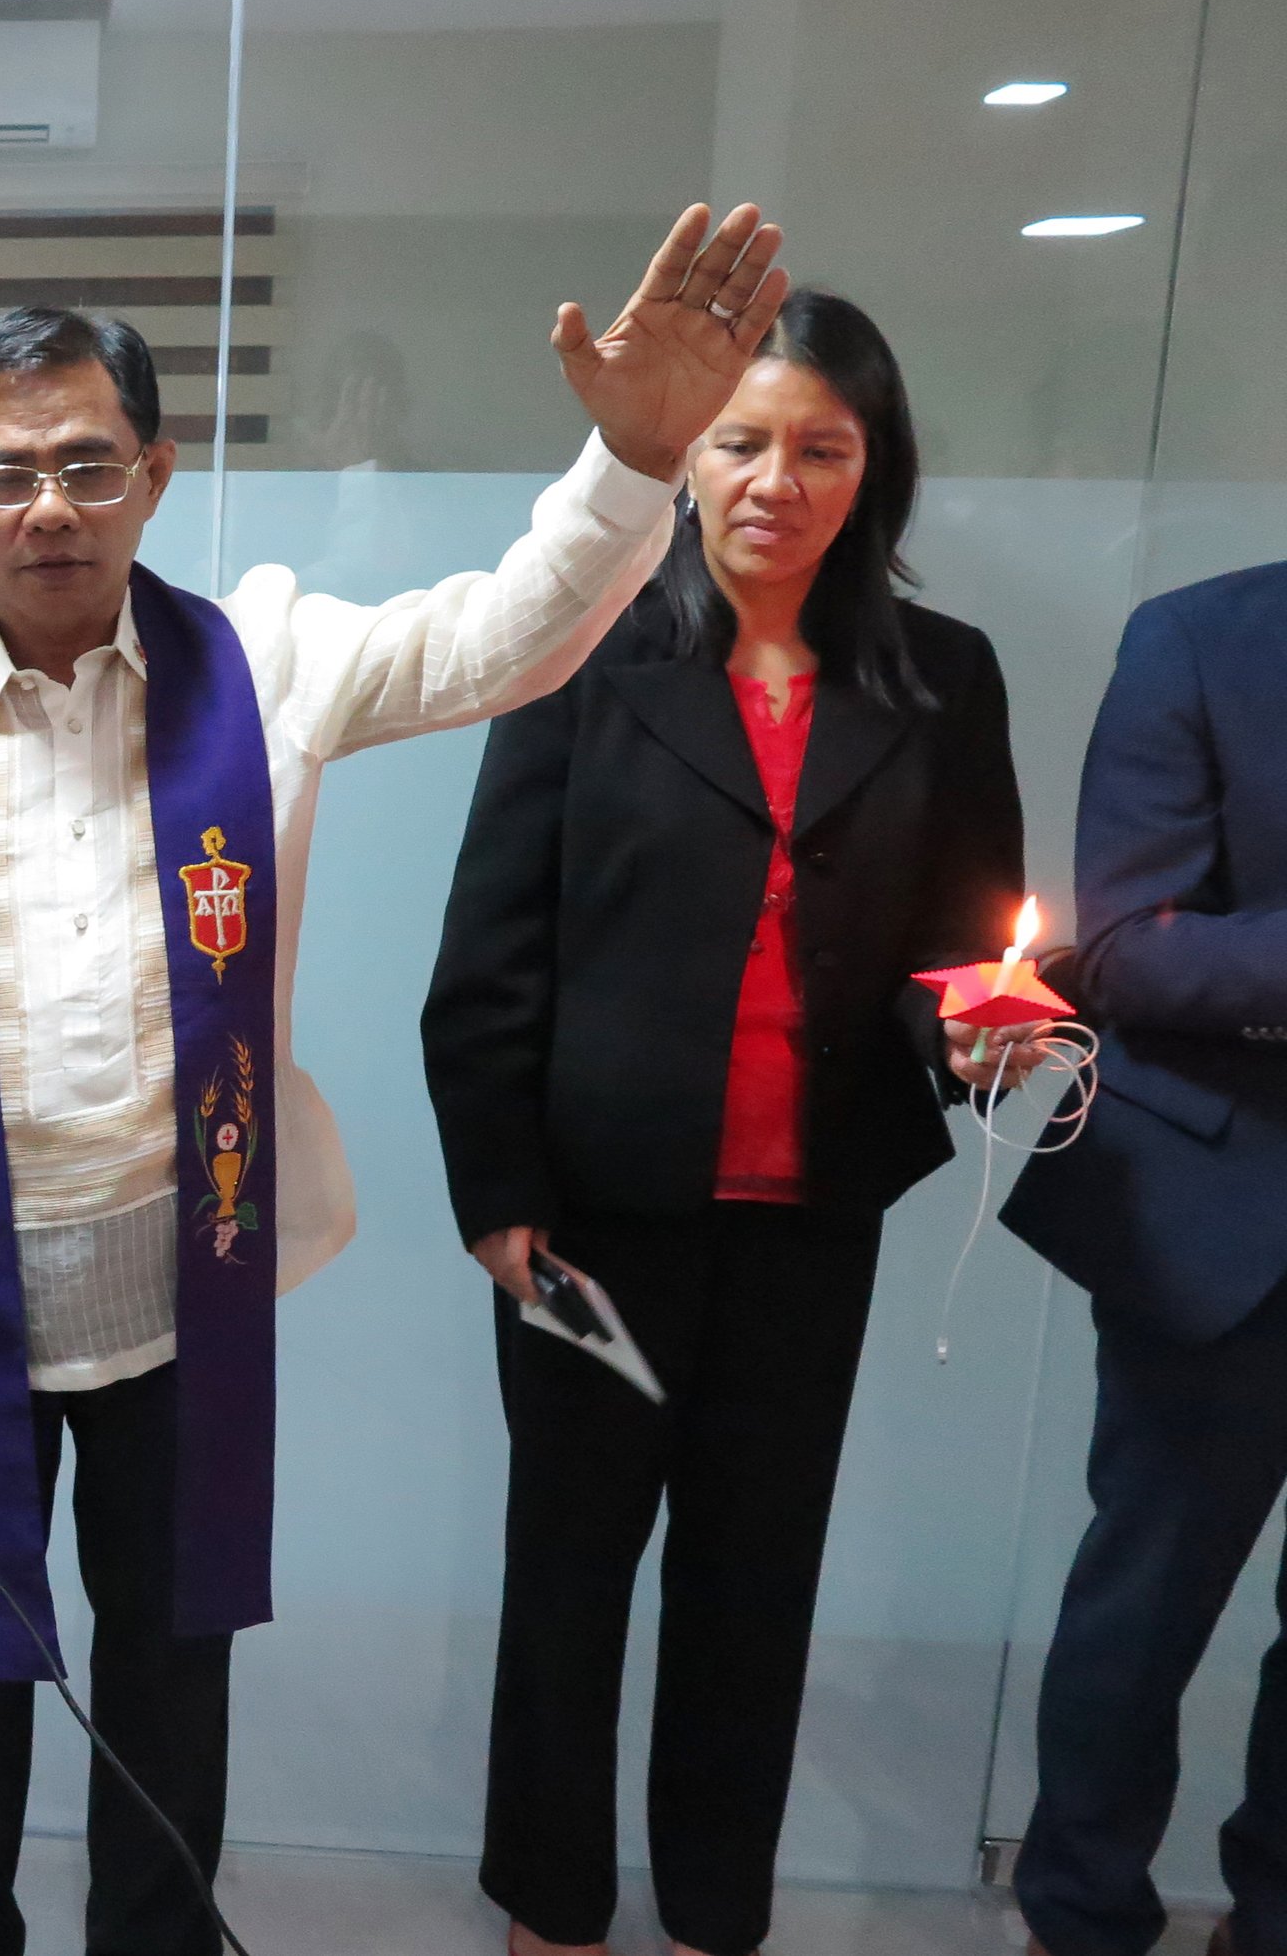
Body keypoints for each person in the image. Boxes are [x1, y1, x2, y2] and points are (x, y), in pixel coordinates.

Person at [0, 202, 790, 1956]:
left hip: (189, 1279)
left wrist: (637, 456)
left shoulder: (265, 660)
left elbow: (511, 638)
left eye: (91, 464)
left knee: (171, 1671)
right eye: (6, 471)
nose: (51, 507)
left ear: (157, 476)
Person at [419, 289, 1030, 1956]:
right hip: (591, 1221)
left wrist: (984, 1027)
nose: (778, 478)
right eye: (741, 441)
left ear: (871, 468)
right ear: (684, 462)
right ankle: (553, 1908)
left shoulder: (941, 678)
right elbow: (489, 952)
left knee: (751, 1593)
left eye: (821, 447)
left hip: (808, 1217)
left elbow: (960, 948)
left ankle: (712, 1915)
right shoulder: (585, 652)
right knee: (568, 1578)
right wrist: (497, 1198)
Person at [1000, 559, 1287, 1956]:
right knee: (1145, 1603)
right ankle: (1080, 1911)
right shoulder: (1199, 636)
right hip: (1223, 1208)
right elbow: (1122, 949)